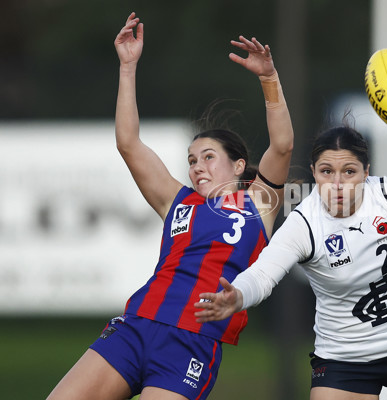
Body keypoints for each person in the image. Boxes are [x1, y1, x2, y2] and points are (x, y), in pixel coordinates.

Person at [47, 12, 293, 400]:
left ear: (240, 165)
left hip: (191, 343)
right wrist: (128, 67)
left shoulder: (258, 203)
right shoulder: (178, 200)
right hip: (136, 327)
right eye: (192, 160)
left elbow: (281, 145)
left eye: (209, 157)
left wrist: (268, 79)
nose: (198, 167)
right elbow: (128, 142)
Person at [195, 125, 387, 400]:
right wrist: (236, 295)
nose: (338, 183)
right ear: (314, 173)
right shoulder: (305, 223)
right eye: (326, 172)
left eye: (349, 171)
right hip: (345, 361)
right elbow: (262, 275)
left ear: (366, 172)